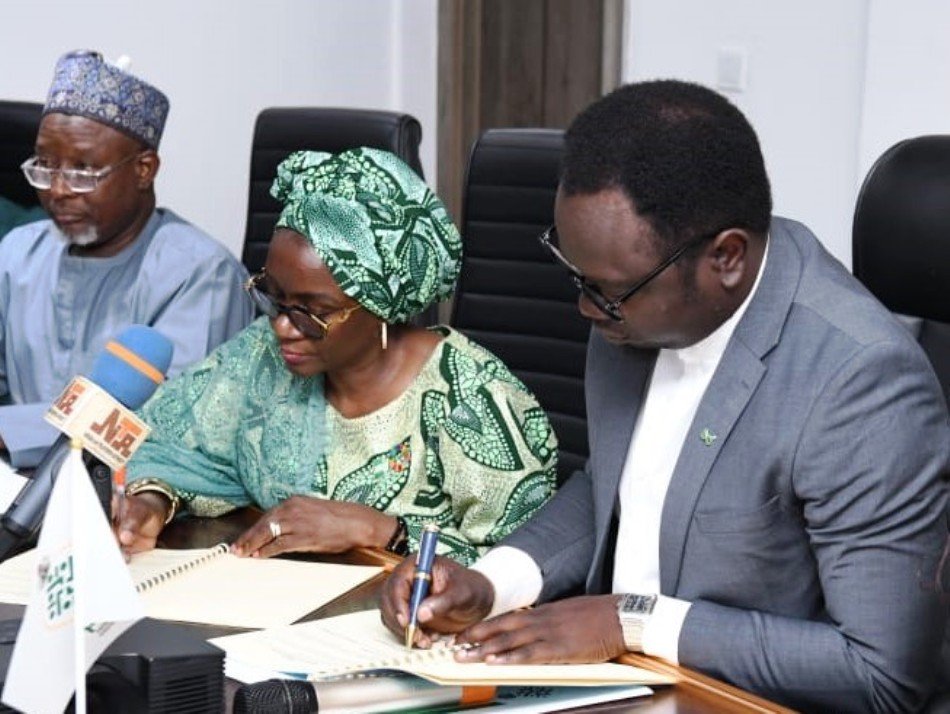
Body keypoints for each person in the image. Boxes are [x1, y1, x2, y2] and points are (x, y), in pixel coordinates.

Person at [380, 80, 950, 713]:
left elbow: (880, 674)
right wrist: (491, 582)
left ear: (726, 257)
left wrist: (632, 619)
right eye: (577, 278)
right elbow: (615, 487)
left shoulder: (860, 382)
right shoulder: (633, 302)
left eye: (606, 290)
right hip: (612, 684)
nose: (584, 307)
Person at [117, 148, 558, 565]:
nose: (282, 326)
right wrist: (153, 501)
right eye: (274, 297)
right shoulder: (262, 355)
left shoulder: (471, 398)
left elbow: (529, 563)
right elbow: (180, 448)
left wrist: (384, 531)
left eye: (315, 312)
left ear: (381, 305)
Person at [0, 50, 252, 468]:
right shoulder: (17, 253)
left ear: (143, 170)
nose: (58, 190)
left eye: (83, 171)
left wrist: (12, 430)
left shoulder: (202, 273)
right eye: (46, 166)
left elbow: (160, 421)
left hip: (140, 502)